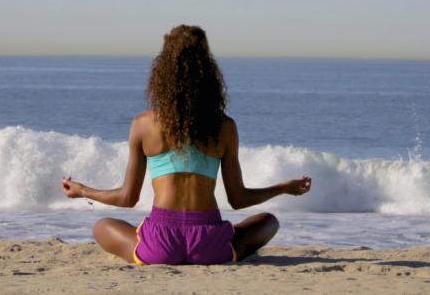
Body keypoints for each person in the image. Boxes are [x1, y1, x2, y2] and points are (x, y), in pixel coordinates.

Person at [61, 25, 312, 265]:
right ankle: (229, 249)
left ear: (162, 70)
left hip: (160, 243)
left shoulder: (143, 124)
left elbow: (128, 198)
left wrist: (83, 191)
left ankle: (151, 250)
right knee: (268, 221)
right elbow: (238, 199)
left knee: (103, 226)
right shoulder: (224, 126)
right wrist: (283, 188)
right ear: (209, 70)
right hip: (209, 243)